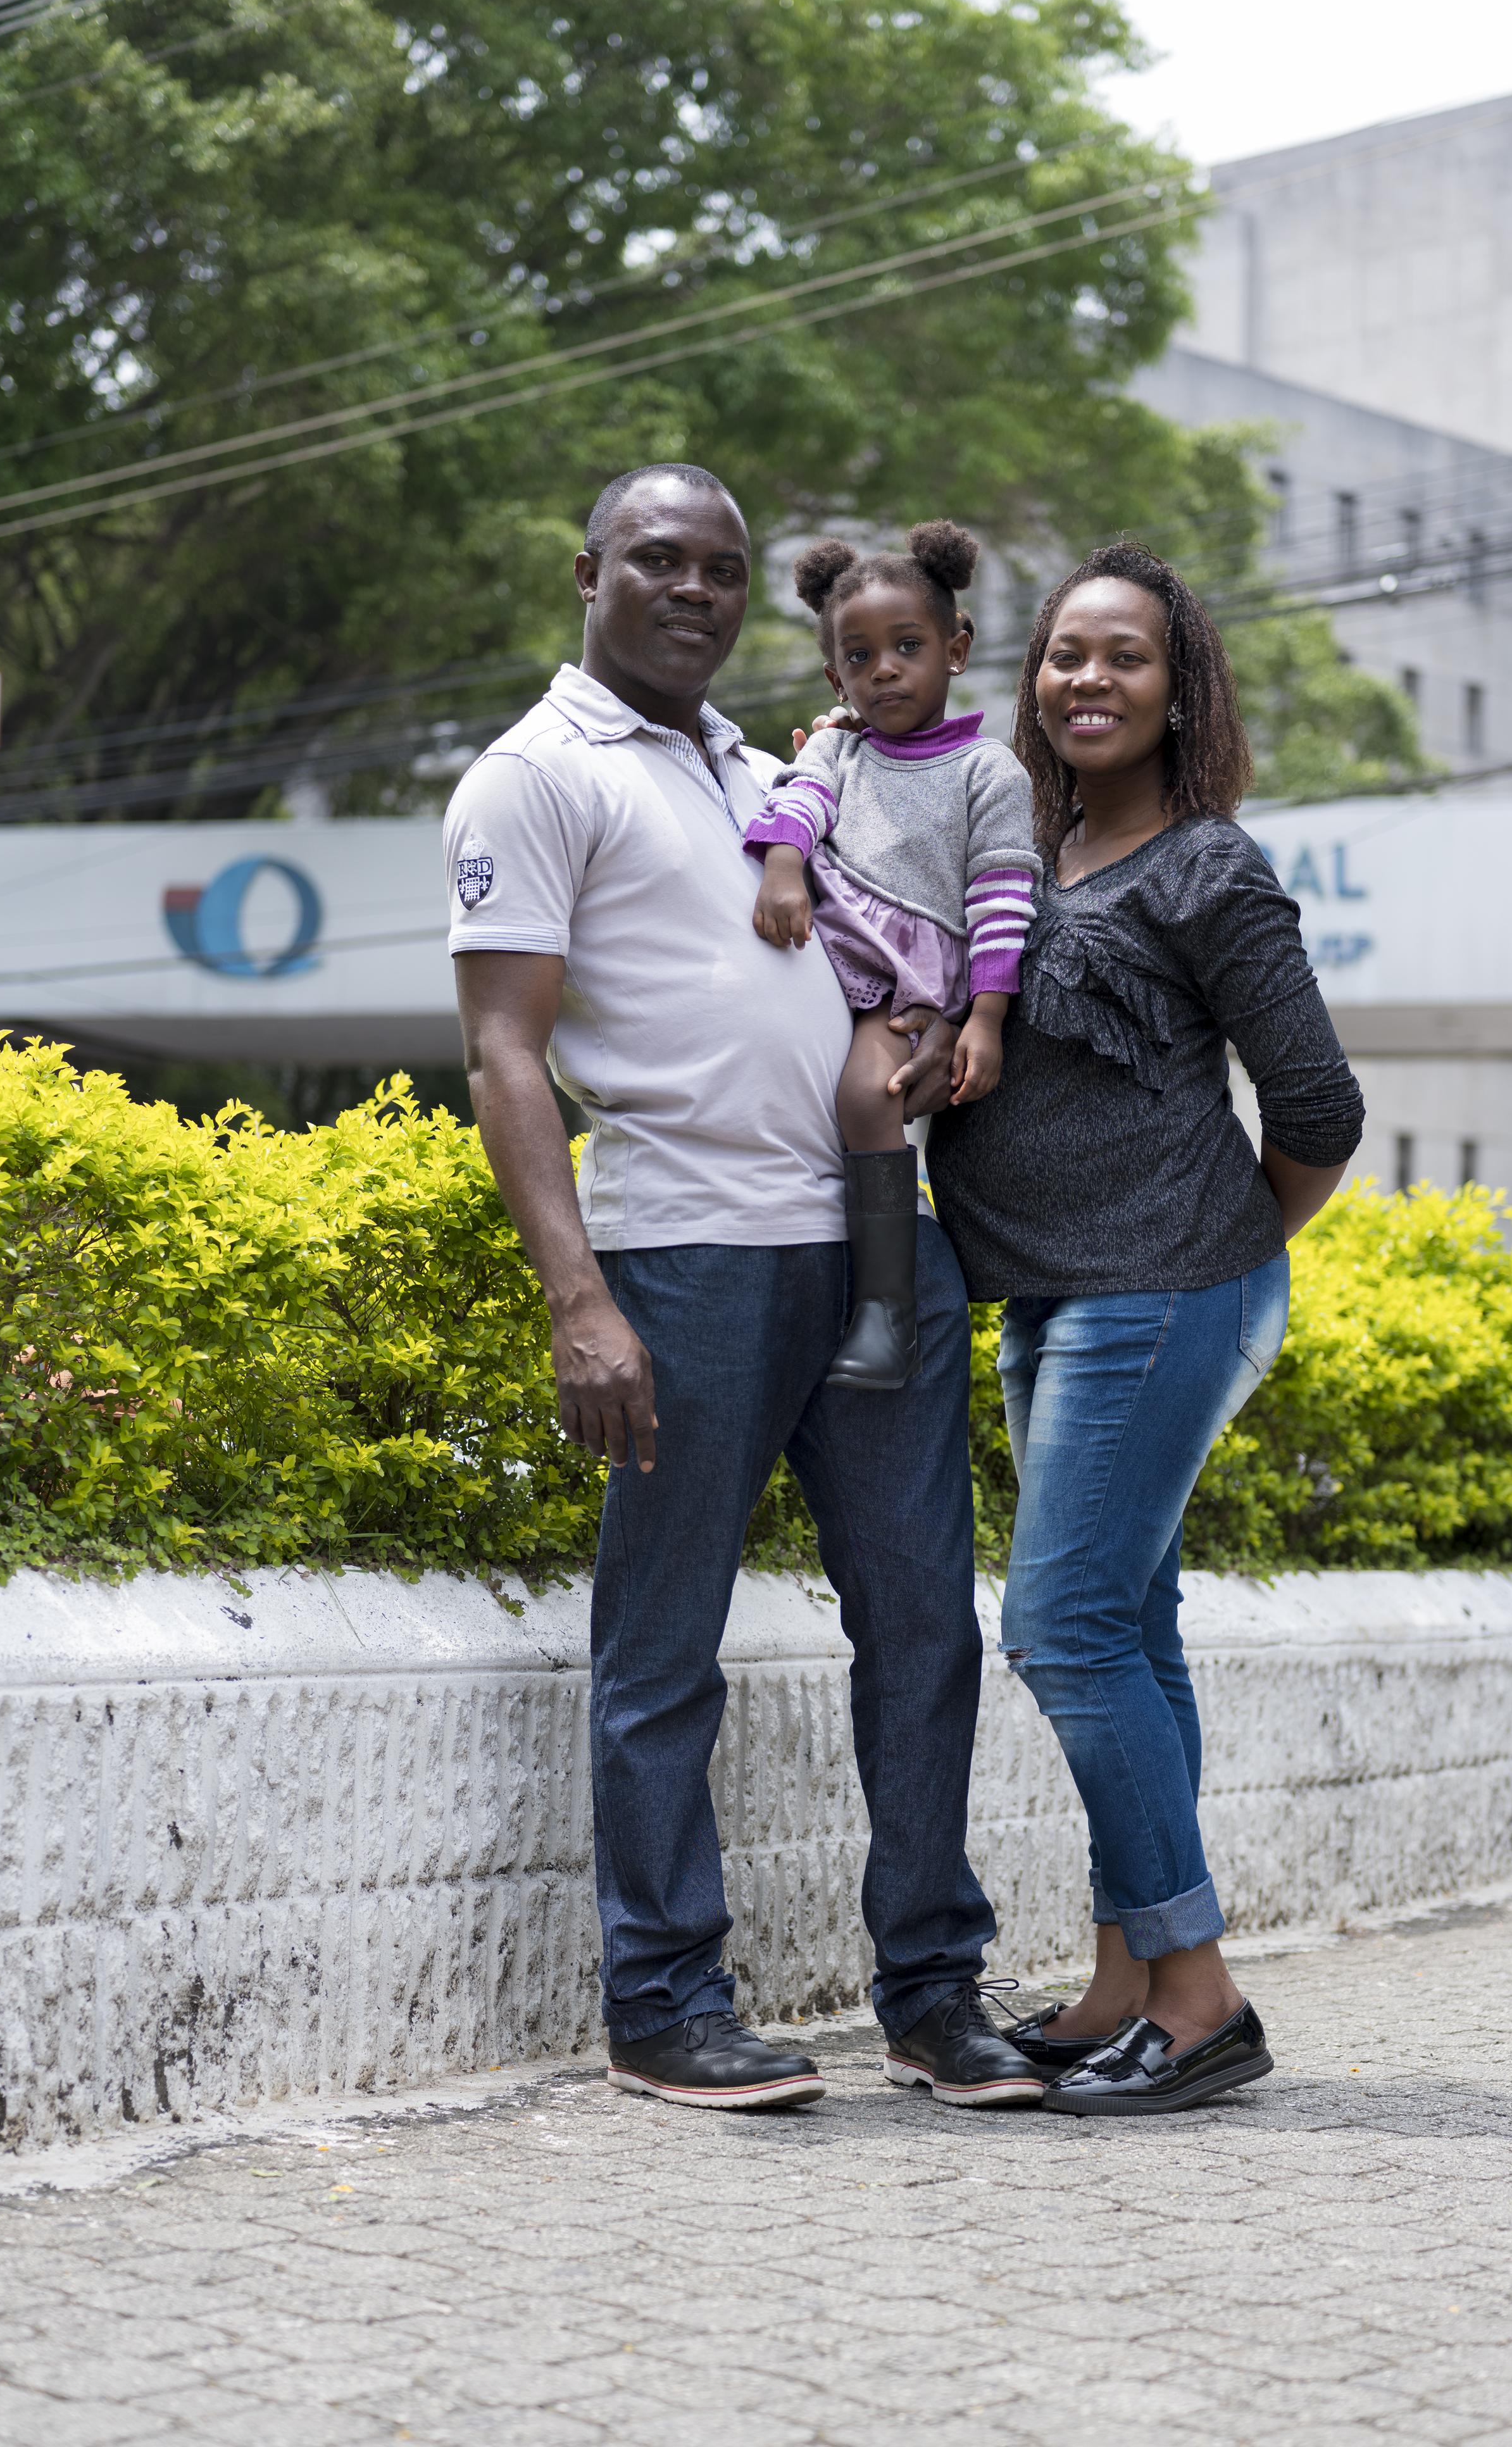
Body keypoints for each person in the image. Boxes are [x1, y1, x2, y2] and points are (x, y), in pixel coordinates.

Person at [444, 462, 1046, 2113]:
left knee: (926, 1629)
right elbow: (503, 1052)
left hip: (878, 1240)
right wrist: (580, 1300)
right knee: (666, 1645)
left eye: (721, 566)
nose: (696, 588)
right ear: (590, 571)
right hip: (688, 1253)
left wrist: (924, 1037)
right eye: (660, 560)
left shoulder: (780, 764)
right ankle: (661, 2002)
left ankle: (933, 1994)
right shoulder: (533, 776)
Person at [926, 541, 1366, 2118]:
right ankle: (1123, 1979)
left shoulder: (1207, 868)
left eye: (1123, 656)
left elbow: (1319, 1105)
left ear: (1180, 689)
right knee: (1133, 1631)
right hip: (1053, 1295)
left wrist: (1208, 1243)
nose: (1086, 679)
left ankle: (1199, 1995)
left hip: (1161, 1287)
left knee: (1061, 1629)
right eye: (1062, 656)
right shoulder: (1019, 851)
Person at [742, 521, 1039, 1390]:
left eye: (907, 647)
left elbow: (1002, 896)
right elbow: (798, 801)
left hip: (908, 986)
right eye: (860, 656)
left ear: (956, 648)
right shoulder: (836, 746)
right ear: (835, 674)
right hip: (831, 965)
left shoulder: (990, 771)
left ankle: (885, 1312)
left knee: (868, 1096)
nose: (884, 670)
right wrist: (786, 864)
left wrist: (984, 1017)